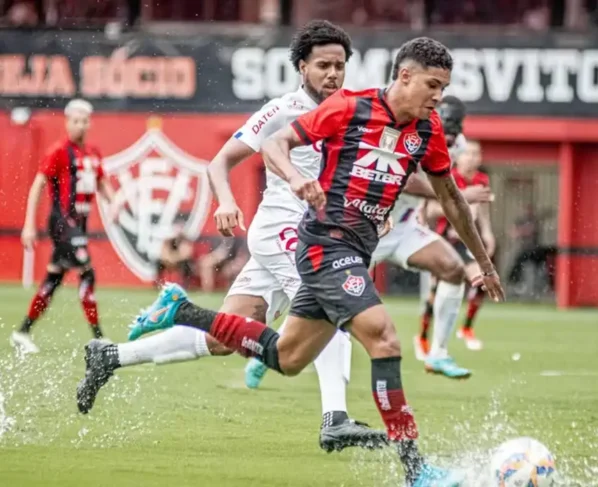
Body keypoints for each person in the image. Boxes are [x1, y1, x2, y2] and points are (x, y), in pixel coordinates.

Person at [79, 37, 505, 486]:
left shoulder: (424, 128)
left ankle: (166, 321)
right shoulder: (329, 108)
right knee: (382, 337)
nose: (439, 96)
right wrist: (284, 182)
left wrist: (483, 262)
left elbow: (445, 194)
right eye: (433, 86)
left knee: (286, 356)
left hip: (347, 245)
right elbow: (263, 148)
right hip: (311, 240)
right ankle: (387, 452)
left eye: (340, 64)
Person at [77, 20, 387, 453]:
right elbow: (220, 161)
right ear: (302, 67)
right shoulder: (282, 110)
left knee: (223, 338)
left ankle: (110, 356)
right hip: (284, 229)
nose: (333, 74)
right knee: (332, 304)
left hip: (310, 236)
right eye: (323, 65)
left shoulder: (352, 112)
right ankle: (334, 420)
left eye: (339, 66)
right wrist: (225, 201)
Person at [372, 95, 493, 378]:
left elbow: (440, 178)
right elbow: (404, 179)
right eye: (447, 126)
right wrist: (459, 196)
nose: (451, 136)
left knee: (452, 269)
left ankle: (438, 354)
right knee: (333, 297)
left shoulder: (457, 144)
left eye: (456, 127)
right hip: (371, 224)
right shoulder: (401, 131)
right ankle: (280, 348)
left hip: (405, 225)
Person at [11, 99, 116, 354]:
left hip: (79, 227)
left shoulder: (92, 153)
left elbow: (102, 182)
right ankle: (99, 337)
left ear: (89, 123)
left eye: (84, 121)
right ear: (68, 122)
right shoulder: (58, 151)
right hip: (62, 223)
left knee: (54, 277)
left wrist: (114, 203)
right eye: (76, 121)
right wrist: (29, 225)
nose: (80, 125)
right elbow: (38, 185)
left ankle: (22, 332)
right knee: (87, 273)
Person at [421, 139, 496, 351]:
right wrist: (459, 208)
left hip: (465, 241)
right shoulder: (448, 177)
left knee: (482, 281)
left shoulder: (482, 179)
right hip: (445, 239)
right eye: (467, 153)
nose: (472, 158)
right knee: (435, 291)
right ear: (458, 156)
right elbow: (431, 210)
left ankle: (466, 328)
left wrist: (487, 233)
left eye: (476, 154)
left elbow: (482, 211)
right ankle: (423, 336)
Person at [155, 218, 195, 288]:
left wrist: (173, 258)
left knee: (186, 264)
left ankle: (185, 284)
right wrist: (171, 259)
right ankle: (159, 283)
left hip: (179, 262)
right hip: (170, 261)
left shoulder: (184, 240)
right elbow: (164, 254)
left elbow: (185, 255)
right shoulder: (168, 241)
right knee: (158, 262)